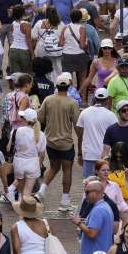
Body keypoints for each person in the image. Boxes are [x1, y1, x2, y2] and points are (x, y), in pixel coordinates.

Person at [39, 73, 83, 208]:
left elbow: (40, 118)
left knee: (53, 167)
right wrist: (80, 147)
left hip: (50, 142)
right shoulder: (72, 103)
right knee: (67, 170)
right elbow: (77, 126)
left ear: (56, 86)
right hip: (66, 144)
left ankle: (41, 191)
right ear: (69, 86)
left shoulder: (48, 100)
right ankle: (64, 201)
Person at [73, 178, 116, 254]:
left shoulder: (99, 210)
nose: (85, 194)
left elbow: (92, 233)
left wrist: (78, 222)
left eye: (87, 192)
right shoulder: (104, 207)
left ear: (96, 193)